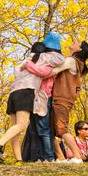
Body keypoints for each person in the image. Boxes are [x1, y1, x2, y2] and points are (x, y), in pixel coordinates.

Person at [0, 40, 66, 163]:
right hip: (26, 92)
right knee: (22, 125)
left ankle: (18, 159)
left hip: (13, 94)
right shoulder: (43, 58)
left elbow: (17, 72)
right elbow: (59, 60)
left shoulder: (25, 61)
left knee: (15, 128)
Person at [26, 40, 88, 164]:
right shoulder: (79, 64)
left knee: (62, 130)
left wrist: (34, 72)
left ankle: (77, 157)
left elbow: (53, 71)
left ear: (79, 50)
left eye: (77, 43)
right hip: (60, 99)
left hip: (62, 100)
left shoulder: (72, 61)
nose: (74, 42)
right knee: (50, 130)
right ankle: (60, 157)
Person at [20, 33, 66, 162]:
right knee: (35, 129)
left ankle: (49, 157)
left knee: (44, 129)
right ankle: (39, 156)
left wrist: (29, 65)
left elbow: (44, 73)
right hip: (35, 96)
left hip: (44, 96)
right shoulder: (43, 58)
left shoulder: (54, 58)